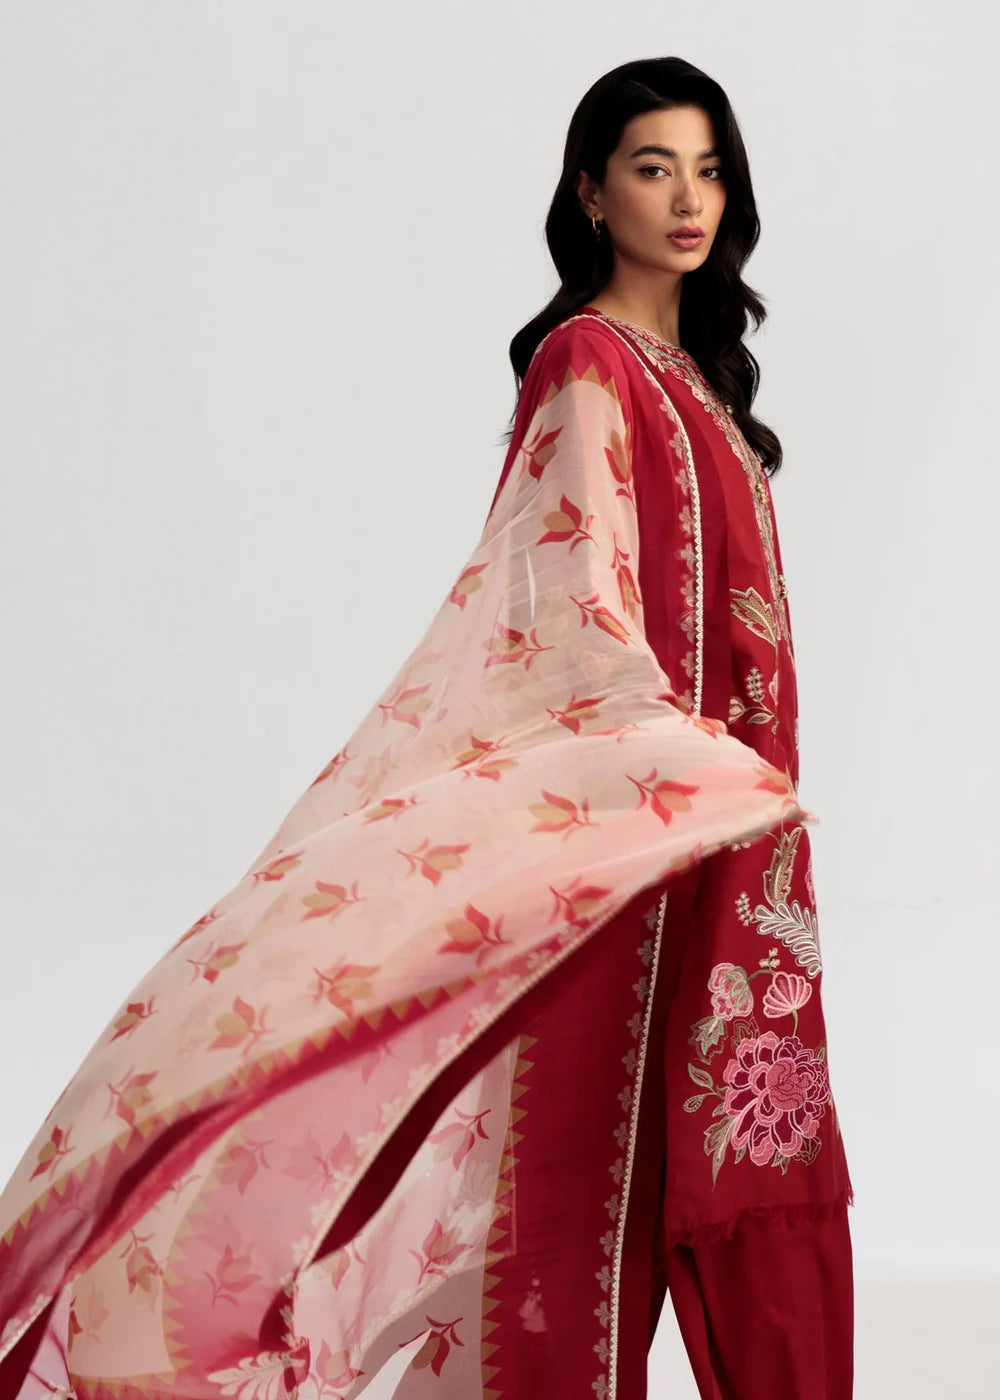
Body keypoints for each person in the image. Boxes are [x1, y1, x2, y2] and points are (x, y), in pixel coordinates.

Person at [0, 56, 853, 1400]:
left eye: (709, 170)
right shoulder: (589, 361)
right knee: (592, 1189)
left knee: (762, 1150)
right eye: (654, 168)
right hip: (644, 833)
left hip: (737, 847)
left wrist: (741, 800)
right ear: (592, 194)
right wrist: (685, 774)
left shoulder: (703, 388)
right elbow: (574, 604)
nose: (689, 198)